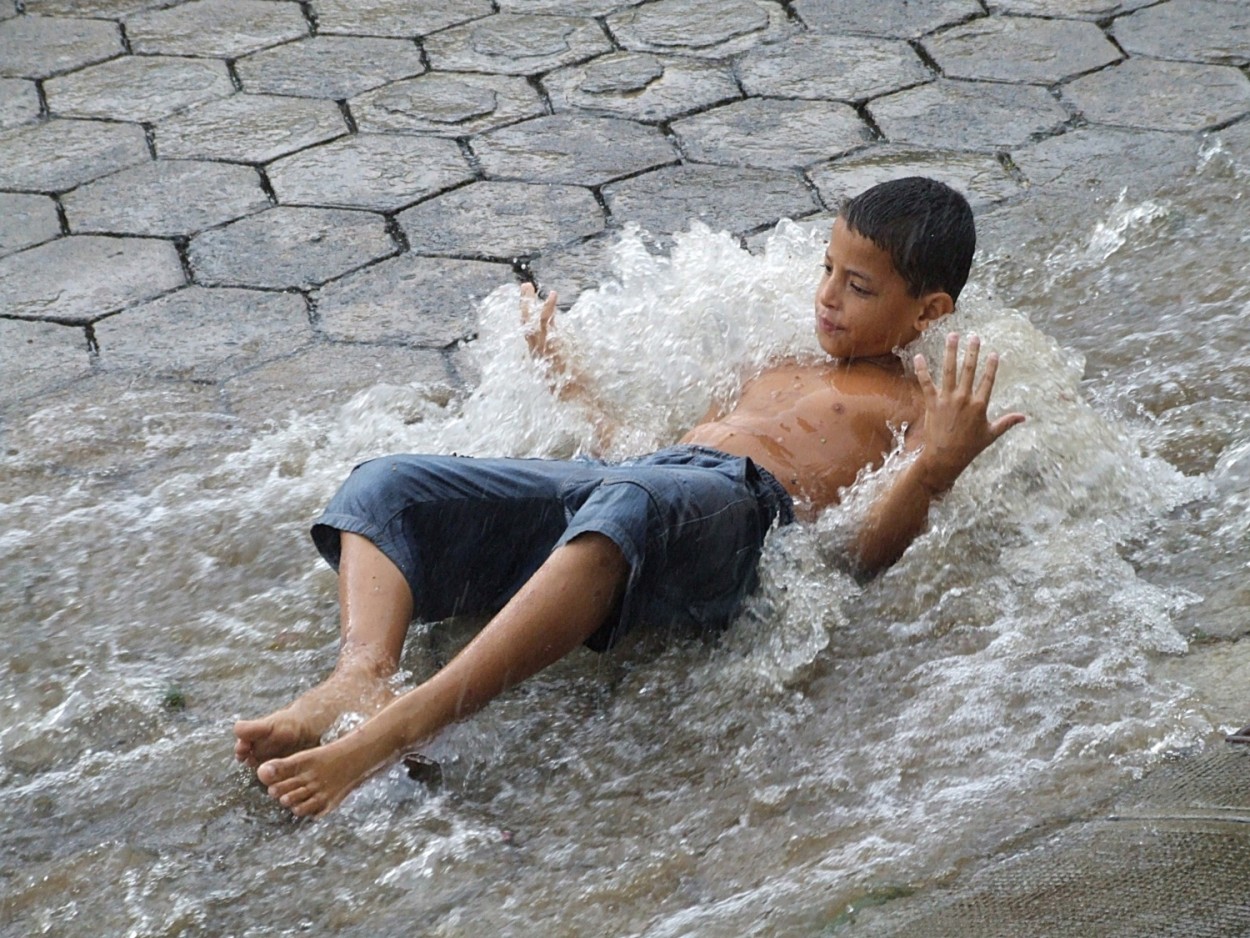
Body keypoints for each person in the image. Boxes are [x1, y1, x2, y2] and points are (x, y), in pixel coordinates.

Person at [234, 176, 1025, 818]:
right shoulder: (783, 361)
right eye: (825, 269)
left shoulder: (919, 404)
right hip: (656, 484)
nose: (827, 296)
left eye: (857, 286)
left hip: (749, 516)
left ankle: (396, 729)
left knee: (634, 505)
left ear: (928, 312)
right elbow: (643, 460)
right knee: (391, 485)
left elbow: (859, 554)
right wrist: (569, 384)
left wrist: (935, 468)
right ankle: (362, 671)